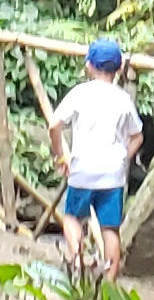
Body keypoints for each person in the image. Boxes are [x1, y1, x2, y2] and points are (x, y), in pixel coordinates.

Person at [48, 38, 142, 283]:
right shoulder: (123, 99)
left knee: (72, 217)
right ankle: (109, 281)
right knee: (110, 229)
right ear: (119, 68)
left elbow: (54, 125)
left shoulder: (80, 93)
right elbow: (137, 136)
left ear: (88, 65)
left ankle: (77, 264)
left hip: (83, 168)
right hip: (112, 173)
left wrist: (61, 155)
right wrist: (123, 158)